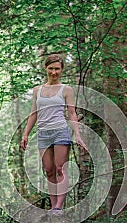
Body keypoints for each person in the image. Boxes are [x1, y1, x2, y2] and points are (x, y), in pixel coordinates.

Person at [20, 54, 86, 213]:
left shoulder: (66, 90)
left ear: (62, 70)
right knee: (49, 170)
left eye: (57, 69)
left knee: (59, 169)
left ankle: (58, 207)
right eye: (51, 68)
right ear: (46, 68)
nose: (54, 72)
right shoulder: (38, 90)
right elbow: (34, 113)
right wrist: (25, 134)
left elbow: (71, 113)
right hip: (43, 133)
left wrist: (77, 134)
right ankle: (53, 204)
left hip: (60, 132)